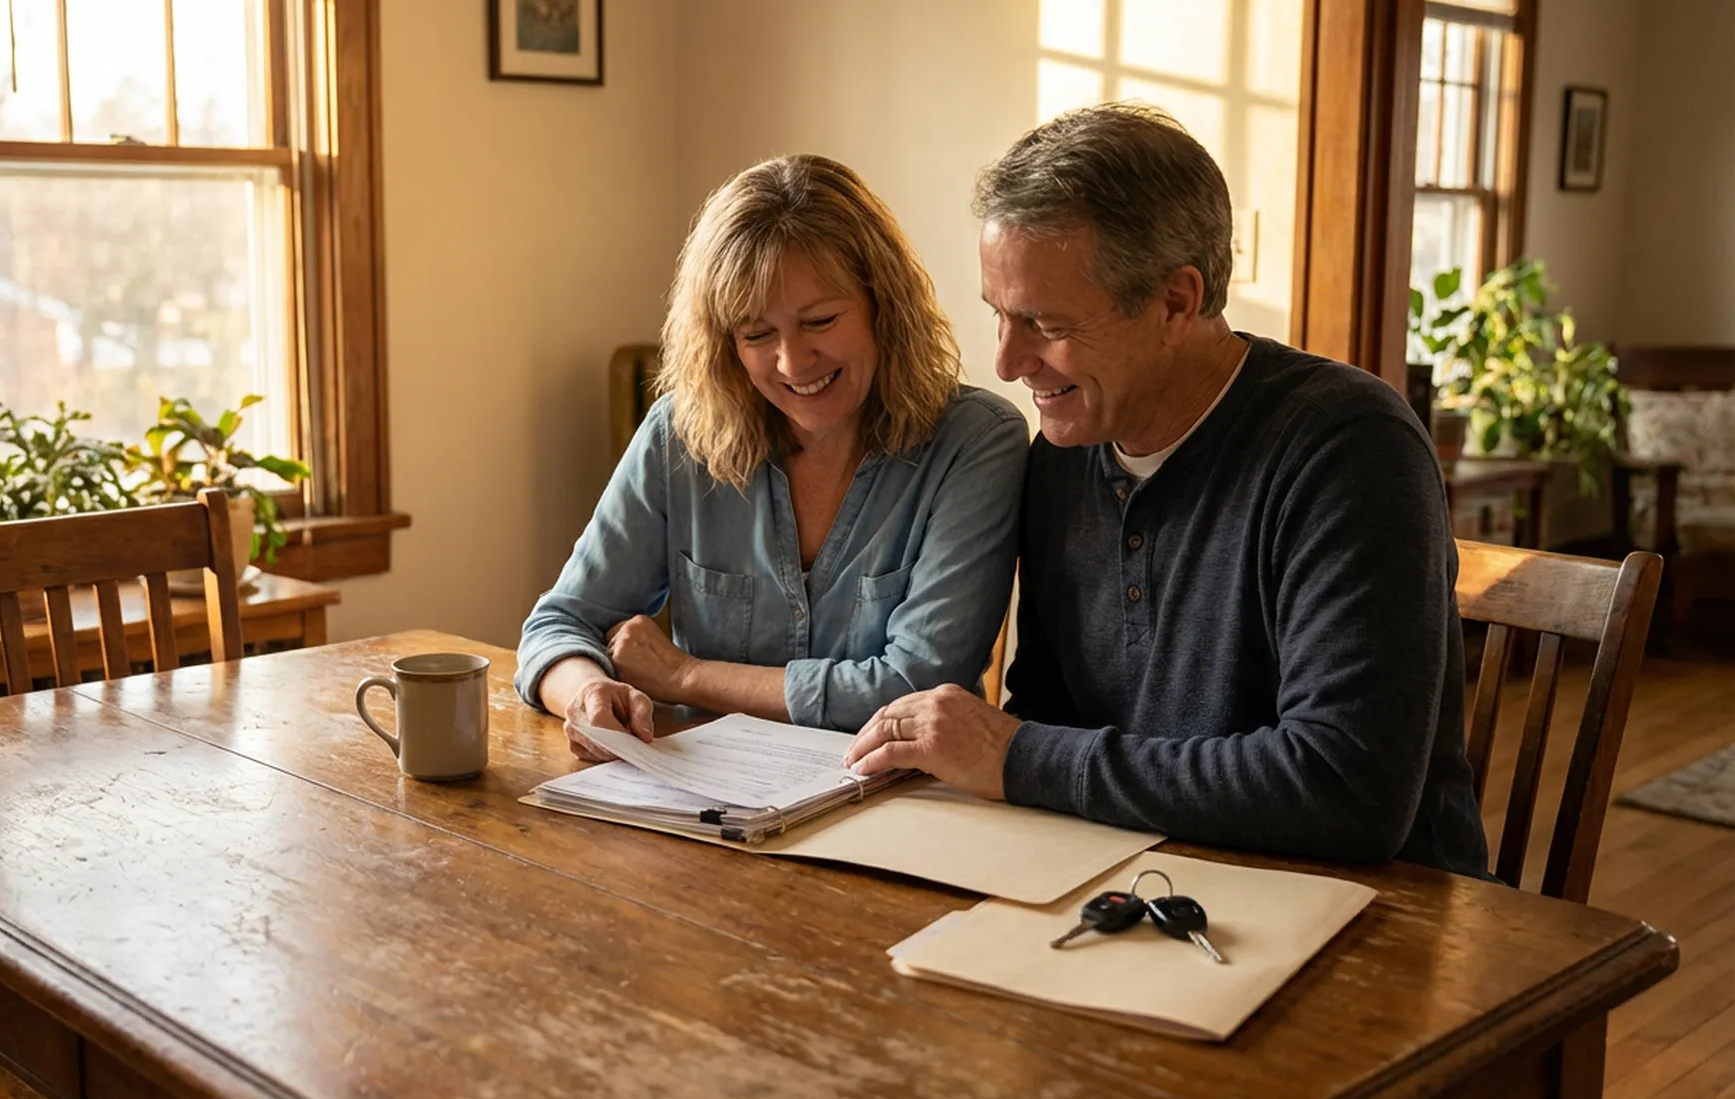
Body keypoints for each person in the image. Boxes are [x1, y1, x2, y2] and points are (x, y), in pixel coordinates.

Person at [844, 104, 1491, 876]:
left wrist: (1013, 757)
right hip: (1138, 878)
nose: (1009, 363)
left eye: (1047, 324)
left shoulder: (1348, 448)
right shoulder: (1065, 456)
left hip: (1379, 908)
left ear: (1177, 304)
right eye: (1000, 315)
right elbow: (1050, 717)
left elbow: (1346, 790)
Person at [516, 155, 1028, 758]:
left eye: (820, 321)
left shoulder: (977, 441)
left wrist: (685, 676)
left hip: (899, 799)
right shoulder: (679, 434)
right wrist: (587, 691)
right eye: (757, 334)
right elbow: (558, 625)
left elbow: (916, 686)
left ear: (883, 305)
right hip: (703, 795)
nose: (792, 362)